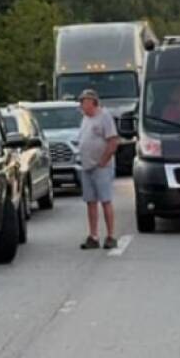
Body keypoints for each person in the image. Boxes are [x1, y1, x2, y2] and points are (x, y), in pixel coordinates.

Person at [76, 89, 119, 250]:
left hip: (101, 166)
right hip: (87, 165)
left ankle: (111, 235)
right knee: (90, 202)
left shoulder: (104, 116)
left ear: (93, 102)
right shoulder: (85, 119)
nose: (81, 104)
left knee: (105, 200)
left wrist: (104, 160)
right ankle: (93, 235)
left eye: (84, 101)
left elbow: (113, 141)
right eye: (81, 101)